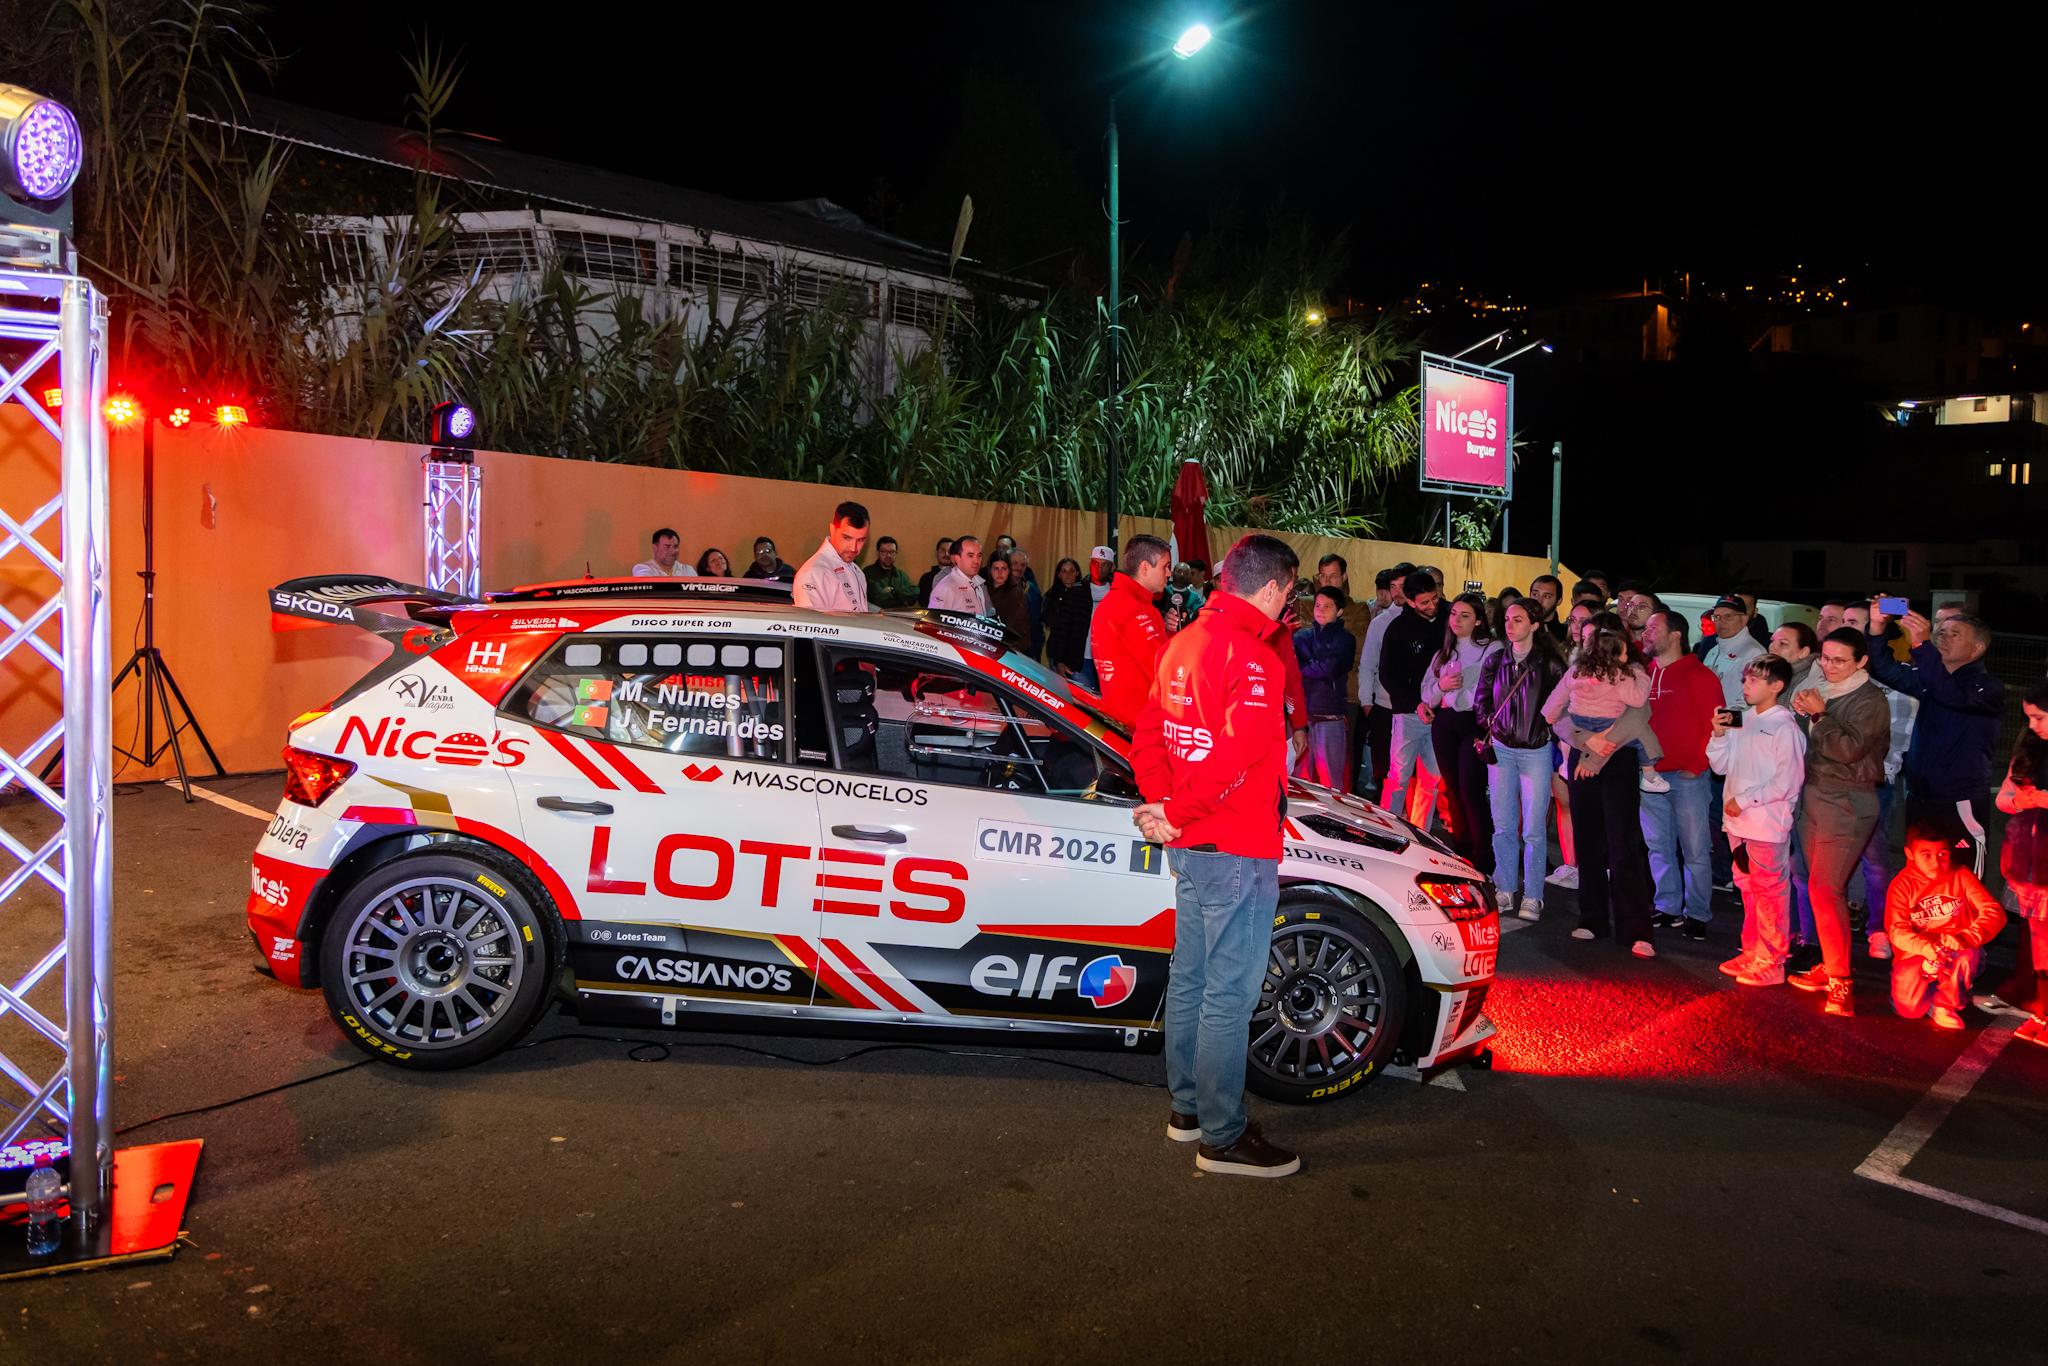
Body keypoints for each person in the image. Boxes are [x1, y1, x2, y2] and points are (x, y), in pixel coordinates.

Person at [1131, 533, 1303, 1178]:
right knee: (1227, 996)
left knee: (1192, 981)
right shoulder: (1256, 660)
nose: (1288, 604)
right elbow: (1240, 757)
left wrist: (1163, 804)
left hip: (1192, 843)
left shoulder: (1182, 643)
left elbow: (1148, 733)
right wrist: (1173, 811)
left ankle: (1189, 1112)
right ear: (1270, 589)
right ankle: (1222, 1138)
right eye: (1288, 592)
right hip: (1232, 845)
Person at [1782, 628, 1893, 1010]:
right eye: (1824, 658)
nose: (1828, 666)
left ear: (1862, 661)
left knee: (1826, 890)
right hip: (1812, 796)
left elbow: (1847, 749)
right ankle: (1832, 966)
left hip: (1847, 802)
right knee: (1818, 887)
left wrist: (1818, 714)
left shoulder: (1870, 699)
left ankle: (1841, 981)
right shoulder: (1822, 691)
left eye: (1839, 660)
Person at [1543, 623, 1659, 957]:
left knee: (1624, 844)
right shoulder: (1579, 671)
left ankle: (1637, 930)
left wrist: (1599, 746)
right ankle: (1592, 919)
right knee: (1588, 841)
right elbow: (1555, 713)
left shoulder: (1632, 672)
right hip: (1586, 752)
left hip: (1618, 757)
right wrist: (1585, 739)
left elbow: (1639, 716)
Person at [1864, 604, 2003, 878]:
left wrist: (1920, 645)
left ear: (1976, 649)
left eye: (1955, 633)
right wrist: (1877, 628)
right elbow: (1884, 669)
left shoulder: (1987, 687)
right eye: (1941, 631)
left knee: (1962, 876)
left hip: (1959, 799)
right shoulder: (1929, 678)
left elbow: (1950, 694)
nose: (1942, 636)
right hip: (1920, 796)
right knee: (1919, 873)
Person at [1707, 655, 1808, 989]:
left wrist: (1745, 799)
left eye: (1754, 680)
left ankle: (1772, 961)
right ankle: (1753, 951)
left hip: (1765, 825)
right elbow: (1721, 767)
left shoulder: (1784, 726)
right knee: (1750, 890)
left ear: (1776, 686)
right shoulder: (1743, 719)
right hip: (1738, 825)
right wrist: (1719, 736)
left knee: (1770, 893)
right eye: (1746, 679)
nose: (1746, 685)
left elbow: (1788, 781)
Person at [1477, 598, 1567, 919]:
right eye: (1508, 619)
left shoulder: (1551, 664)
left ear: (1535, 625)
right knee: (1502, 825)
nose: (1510, 625)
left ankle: (1533, 895)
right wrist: (1488, 722)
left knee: (1532, 829)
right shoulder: (1496, 660)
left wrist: (1551, 732)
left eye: (1518, 620)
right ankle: (1504, 889)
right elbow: (1482, 699)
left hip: (1536, 752)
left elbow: (1563, 704)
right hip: (1501, 749)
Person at [1641, 610, 1723, 941]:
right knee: (1657, 846)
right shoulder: (1644, 674)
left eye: (1652, 628)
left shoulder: (1701, 675)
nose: (1646, 633)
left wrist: (1696, 766)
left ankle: (1698, 912)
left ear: (1675, 635)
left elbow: (1715, 728)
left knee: (1695, 849)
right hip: (1650, 776)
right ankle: (1668, 906)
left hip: (1688, 777)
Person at [1886, 817, 2007, 1031]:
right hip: (1919, 955)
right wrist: (1925, 948)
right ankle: (1923, 988)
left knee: (1966, 955)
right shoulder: (1902, 884)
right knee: (1910, 1011)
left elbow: (1994, 912)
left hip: (1956, 948)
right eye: (1927, 855)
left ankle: (1945, 1004)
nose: (1936, 862)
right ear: (1909, 854)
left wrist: (1967, 937)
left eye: (1942, 854)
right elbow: (1897, 931)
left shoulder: (1960, 875)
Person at [1421, 591, 1502, 874]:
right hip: (1445, 723)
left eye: (1465, 615)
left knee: (1472, 790)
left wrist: (1460, 688)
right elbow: (1426, 694)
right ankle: (1462, 852)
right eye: (1453, 614)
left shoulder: (1491, 649)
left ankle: (1484, 858)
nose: (1456, 620)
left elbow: (1489, 690)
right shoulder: (1443, 652)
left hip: (1474, 723)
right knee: (1453, 790)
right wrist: (1441, 687)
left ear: (1479, 620)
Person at [1987, 682, 2048, 1043]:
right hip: (2029, 859)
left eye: (2039, 717)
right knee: (2039, 940)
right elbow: (2004, 798)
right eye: (2028, 717)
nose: (2033, 725)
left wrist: (2043, 799)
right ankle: (2041, 1011)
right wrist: (2022, 801)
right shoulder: (2031, 747)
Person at [1377, 571, 1445, 827]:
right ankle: (1389, 829)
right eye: (1425, 602)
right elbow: (1386, 675)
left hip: (1438, 713)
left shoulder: (1444, 620)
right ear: (1410, 601)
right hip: (1407, 714)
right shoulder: (1397, 628)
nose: (1432, 606)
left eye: (1434, 599)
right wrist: (1414, 703)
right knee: (1398, 777)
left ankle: (1421, 833)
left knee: (1431, 779)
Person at [1090, 536, 1173, 727]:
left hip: (1122, 719)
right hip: (1142, 724)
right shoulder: (1133, 609)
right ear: (1144, 567)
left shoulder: (1117, 602)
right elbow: (1163, 671)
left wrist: (1169, 633)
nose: (1169, 573)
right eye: (1165, 566)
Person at [1294, 586, 1358, 791]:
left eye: (1327, 606)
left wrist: (1308, 664)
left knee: (1331, 781)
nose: (1320, 610)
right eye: (1318, 605)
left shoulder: (1346, 640)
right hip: (1301, 717)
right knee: (1298, 778)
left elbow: (1330, 668)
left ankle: (1332, 823)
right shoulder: (1301, 636)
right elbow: (1294, 667)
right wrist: (1313, 664)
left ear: (1339, 611)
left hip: (1330, 715)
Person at [1358, 566, 1412, 801]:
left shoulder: (1428, 620)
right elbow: (1368, 663)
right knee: (1383, 771)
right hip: (1383, 707)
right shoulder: (1380, 622)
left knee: (1412, 775)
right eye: (1393, 587)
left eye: (1402, 586)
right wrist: (1366, 701)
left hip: (1414, 709)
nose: (1397, 592)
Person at [793, 501, 872, 613]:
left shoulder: (858, 572)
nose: (854, 548)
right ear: (832, 529)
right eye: (847, 538)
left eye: (861, 540)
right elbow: (811, 626)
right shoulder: (814, 572)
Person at [1043, 557, 1093, 679]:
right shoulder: (1051, 595)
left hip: (1078, 654)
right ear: (1059, 574)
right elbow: (1050, 622)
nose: (1068, 574)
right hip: (1057, 652)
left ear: (1077, 573)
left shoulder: (1086, 593)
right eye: (1064, 571)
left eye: (1071, 571)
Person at [1075, 546, 1116, 690]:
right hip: (1081, 658)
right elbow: (1064, 626)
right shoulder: (1077, 590)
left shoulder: (1117, 593)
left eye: (1104, 564)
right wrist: (1060, 660)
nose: (1098, 568)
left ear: (1112, 567)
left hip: (1108, 659)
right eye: (1095, 563)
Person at [928, 535, 992, 616]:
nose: (976, 561)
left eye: (979, 556)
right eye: (970, 555)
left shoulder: (980, 584)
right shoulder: (945, 587)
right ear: (957, 559)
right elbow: (934, 621)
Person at [862, 535, 919, 610]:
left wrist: (893, 591)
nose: (888, 555)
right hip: (876, 618)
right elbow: (878, 599)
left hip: (899, 617)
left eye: (892, 552)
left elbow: (914, 596)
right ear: (877, 553)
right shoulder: (867, 573)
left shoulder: (901, 575)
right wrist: (901, 595)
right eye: (884, 552)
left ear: (896, 553)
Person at [1011, 548, 1046, 656]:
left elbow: (1037, 622)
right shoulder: (996, 588)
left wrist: (1037, 647)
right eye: (1015, 563)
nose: (1019, 568)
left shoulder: (1032, 590)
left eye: (1023, 565)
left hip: (1027, 651)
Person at [1769, 621, 1820, 697]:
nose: (1772, 647)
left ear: (1804, 652)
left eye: (1783, 643)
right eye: (1772, 641)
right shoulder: (1770, 669)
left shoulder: (1809, 683)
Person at [633, 527, 697, 578]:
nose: (672, 551)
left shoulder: (688, 570)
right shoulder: (642, 569)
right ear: (655, 548)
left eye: (675, 546)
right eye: (667, 546)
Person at [1527, 573, 1566, 644]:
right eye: (1535, 594)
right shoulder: (1521, 629)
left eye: (1547, 596)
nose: (1539, 601)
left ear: (1559, 601)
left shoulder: (1565, 635)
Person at [916, 538, 953, 608]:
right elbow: (923, 603)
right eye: (942, 551)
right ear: (937, 553)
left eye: (950, 551)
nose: (946, 554)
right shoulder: (926, 578)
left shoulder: (961, 576)